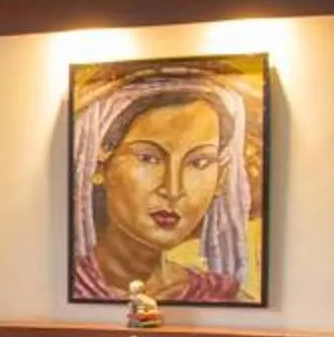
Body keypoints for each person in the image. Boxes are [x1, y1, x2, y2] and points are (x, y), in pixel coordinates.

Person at [70, 67, 259, 304]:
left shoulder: (227, 299)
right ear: (98, 165)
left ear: (221, 178)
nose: (173, 189)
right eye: (148, 158)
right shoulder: (64, 292)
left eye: (199, 162)